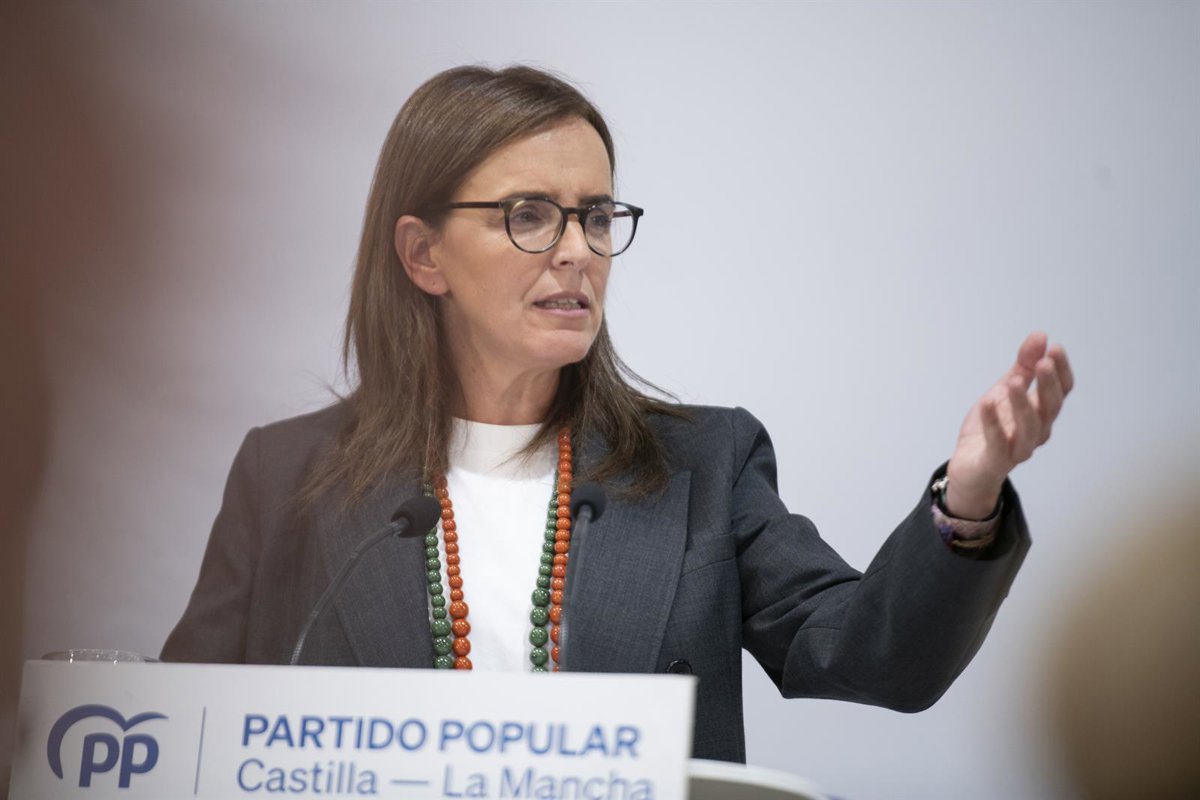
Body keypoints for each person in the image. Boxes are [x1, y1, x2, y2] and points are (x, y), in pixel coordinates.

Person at [161, 65, 1074, 763]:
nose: (577, 252)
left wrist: (969, 497)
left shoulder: (705, 465)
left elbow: (875, 658)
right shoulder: (287, 477)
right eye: (530, 215)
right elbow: (175, 736)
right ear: (423, 255)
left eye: (596, 217)